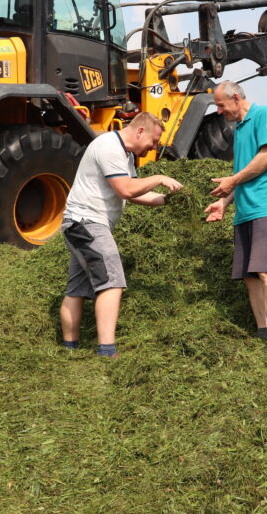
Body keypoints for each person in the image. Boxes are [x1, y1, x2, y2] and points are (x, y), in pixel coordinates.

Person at [59, 112, 183, 358]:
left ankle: (69, 350)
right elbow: (126, 189)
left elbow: (135, 194)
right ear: (140, 132)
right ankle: (107, 352)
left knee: (78, 288)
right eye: (154, 141)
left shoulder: (124, 155)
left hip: (79, 222)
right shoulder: (108, 147)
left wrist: (168, 201)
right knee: (112, 281)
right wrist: (159, 177)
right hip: (87, 222)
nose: (153, 147)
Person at [204, 81, 267, 345]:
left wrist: (231, 180)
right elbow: (243, 175)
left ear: (236, 98)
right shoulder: (239, 128)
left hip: (265, 207)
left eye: (220, 105)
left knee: (266, 272)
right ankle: (262, 333)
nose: (218, 111)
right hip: (244, 211)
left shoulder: (262, 114)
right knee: (250, 278)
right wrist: (225, 202)